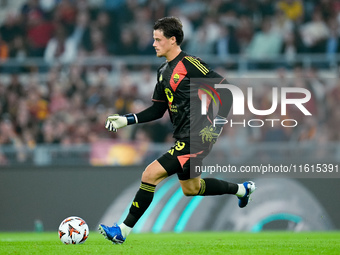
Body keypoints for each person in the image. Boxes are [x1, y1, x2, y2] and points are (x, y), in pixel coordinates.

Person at [99, 17, 256, 244]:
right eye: (153, 39)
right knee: (192, 188)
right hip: (183, 136)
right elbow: (157, 110)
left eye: (158, 39)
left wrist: (216, 127)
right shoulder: (163, 72)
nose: (153, 44)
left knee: (150, 174)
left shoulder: (190, 64)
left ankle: (123, 230)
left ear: (173, 40)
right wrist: (127, 120)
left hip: (197, 137)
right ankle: (242, 190)